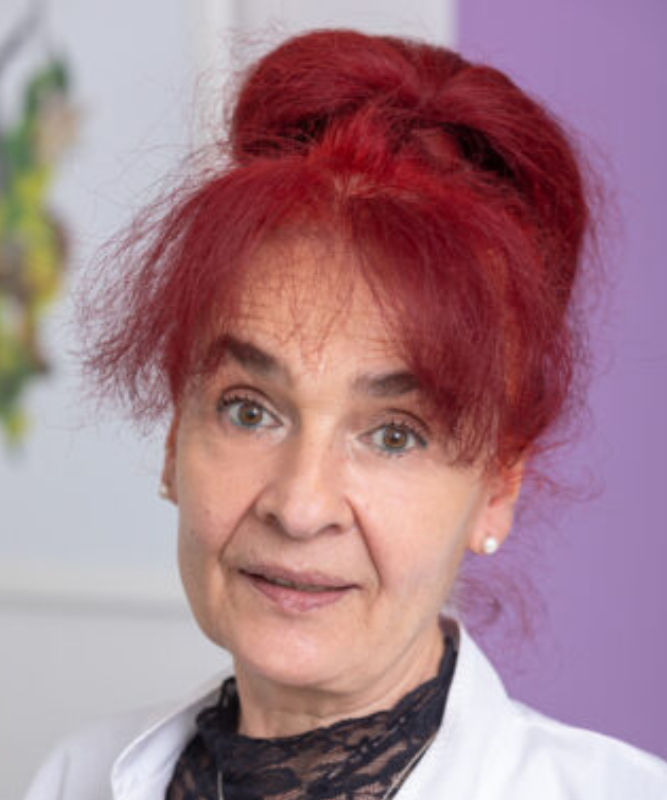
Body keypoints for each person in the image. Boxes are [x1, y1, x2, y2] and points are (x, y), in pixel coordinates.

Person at [24, 28, 667, 800]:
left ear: (497, 488)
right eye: (248, 411)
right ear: (172, 438)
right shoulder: (74, 777)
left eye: (393, 434)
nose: (300, 508)